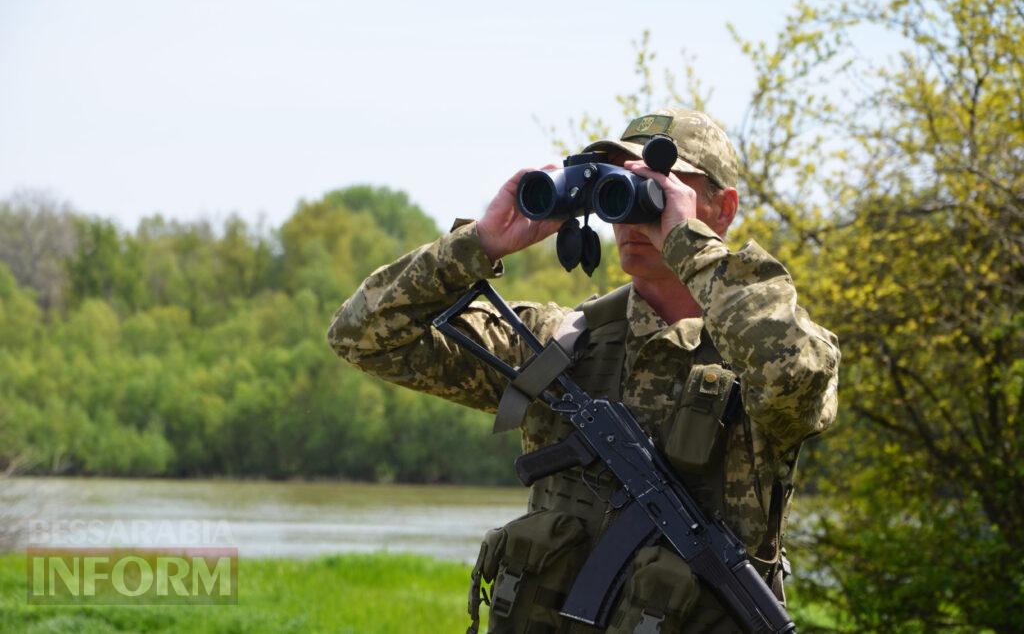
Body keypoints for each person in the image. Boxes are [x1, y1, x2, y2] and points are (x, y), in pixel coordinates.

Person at [327, 107, 840, 633]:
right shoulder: (558, 345)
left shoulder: (764, 350)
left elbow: (795, 377)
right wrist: (479, 243)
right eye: (620, 189)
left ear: (722, 207)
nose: (636, 212)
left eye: (662, 188)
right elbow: (362, 335)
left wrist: (692, 248)